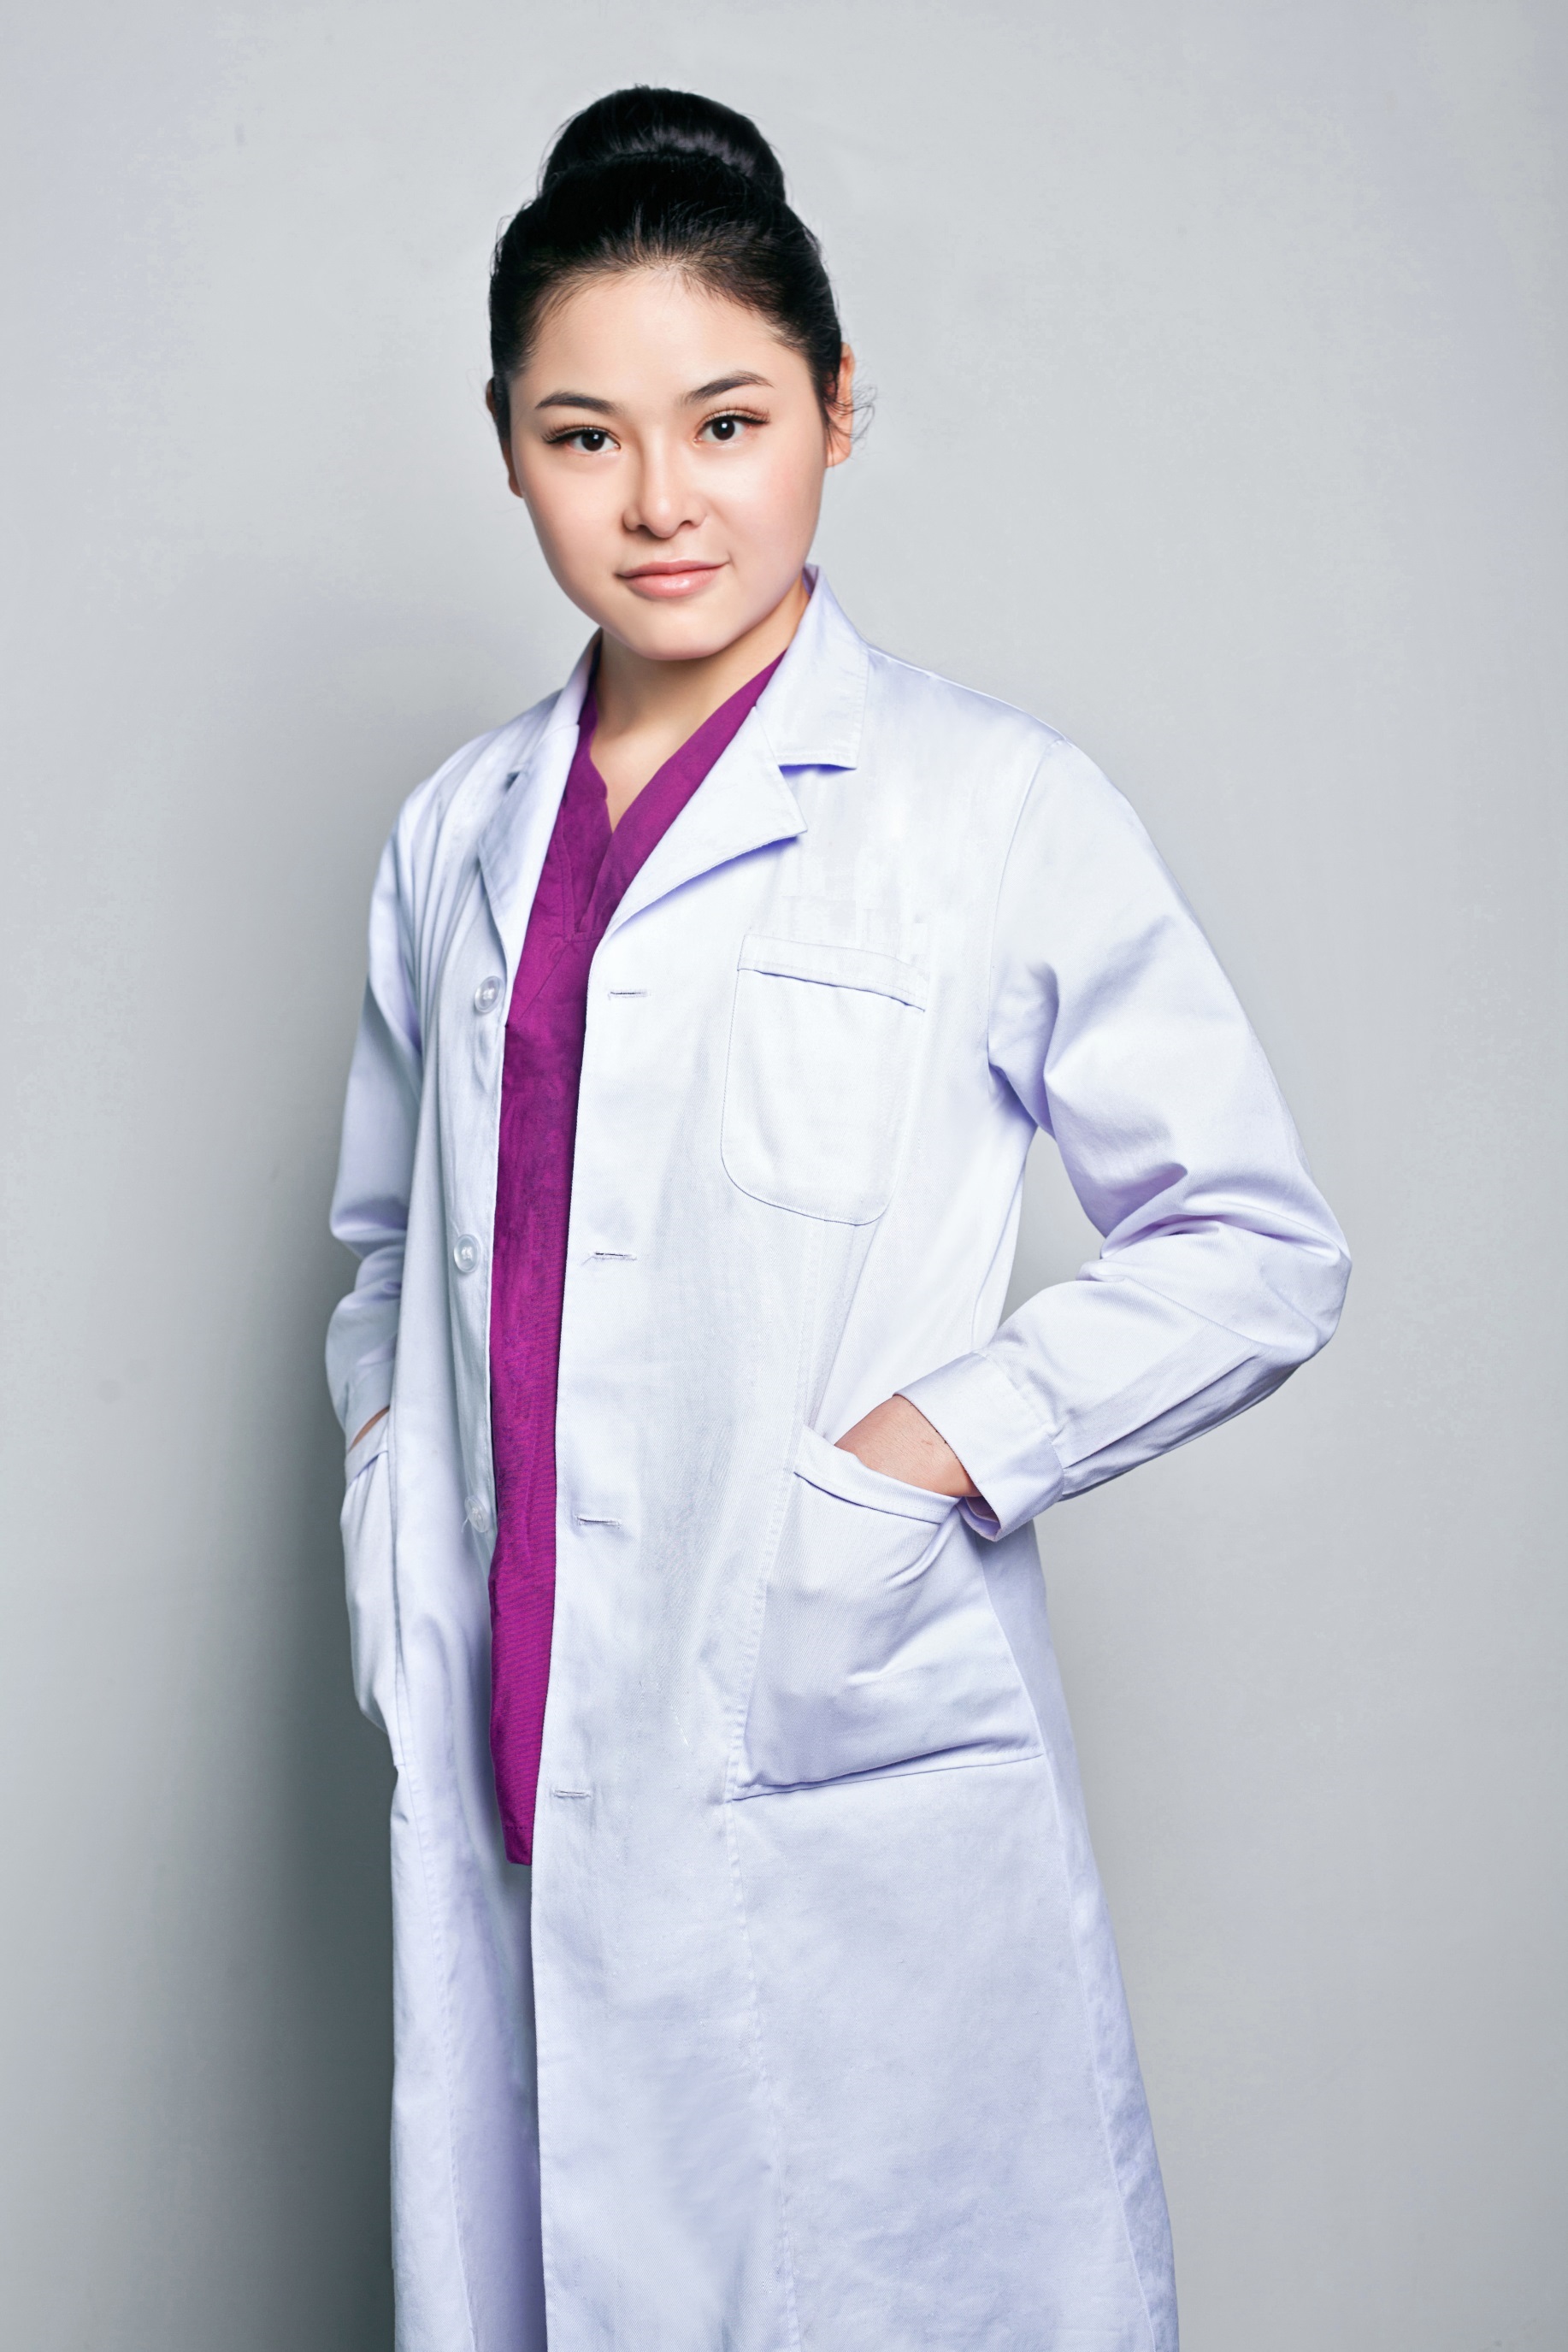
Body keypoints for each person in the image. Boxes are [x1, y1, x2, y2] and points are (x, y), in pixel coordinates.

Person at [327, 84, 1348, 2352]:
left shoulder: (989, 810)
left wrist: (924, 1459)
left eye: (727, 420)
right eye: (584, 436)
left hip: (818, 1718)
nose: (660, 500)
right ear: (504, 446)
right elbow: (389, 1254)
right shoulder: (453, 837)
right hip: (515, 1733)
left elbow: (1256, 1240)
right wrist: (394, 1486)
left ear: (838, 410)